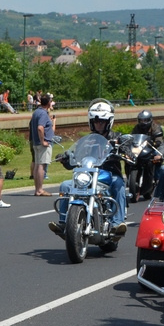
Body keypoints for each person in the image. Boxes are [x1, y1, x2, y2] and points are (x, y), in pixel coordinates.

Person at [48, 100, 128, 237]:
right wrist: (66, 158)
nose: (99, 124)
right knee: (65, 186)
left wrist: (123, 152)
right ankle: (63, 222)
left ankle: (117, 223)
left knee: (119, 185)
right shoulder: (87, 140)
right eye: (96, 122)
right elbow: (75, 158)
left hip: (109, 174)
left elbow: (128, 152)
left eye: (102, 122)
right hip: (87, 175)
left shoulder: (117, 138)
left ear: (109, 121)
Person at [30, 93, 54, 196]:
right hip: (42, 144)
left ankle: (37, 189)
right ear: (48, 103)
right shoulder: (43, 114)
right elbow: (40, 127)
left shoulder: (36, 112)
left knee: (37, 165)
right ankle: (40, 189)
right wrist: (43, 140)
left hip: (35, 142)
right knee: (41, 166)